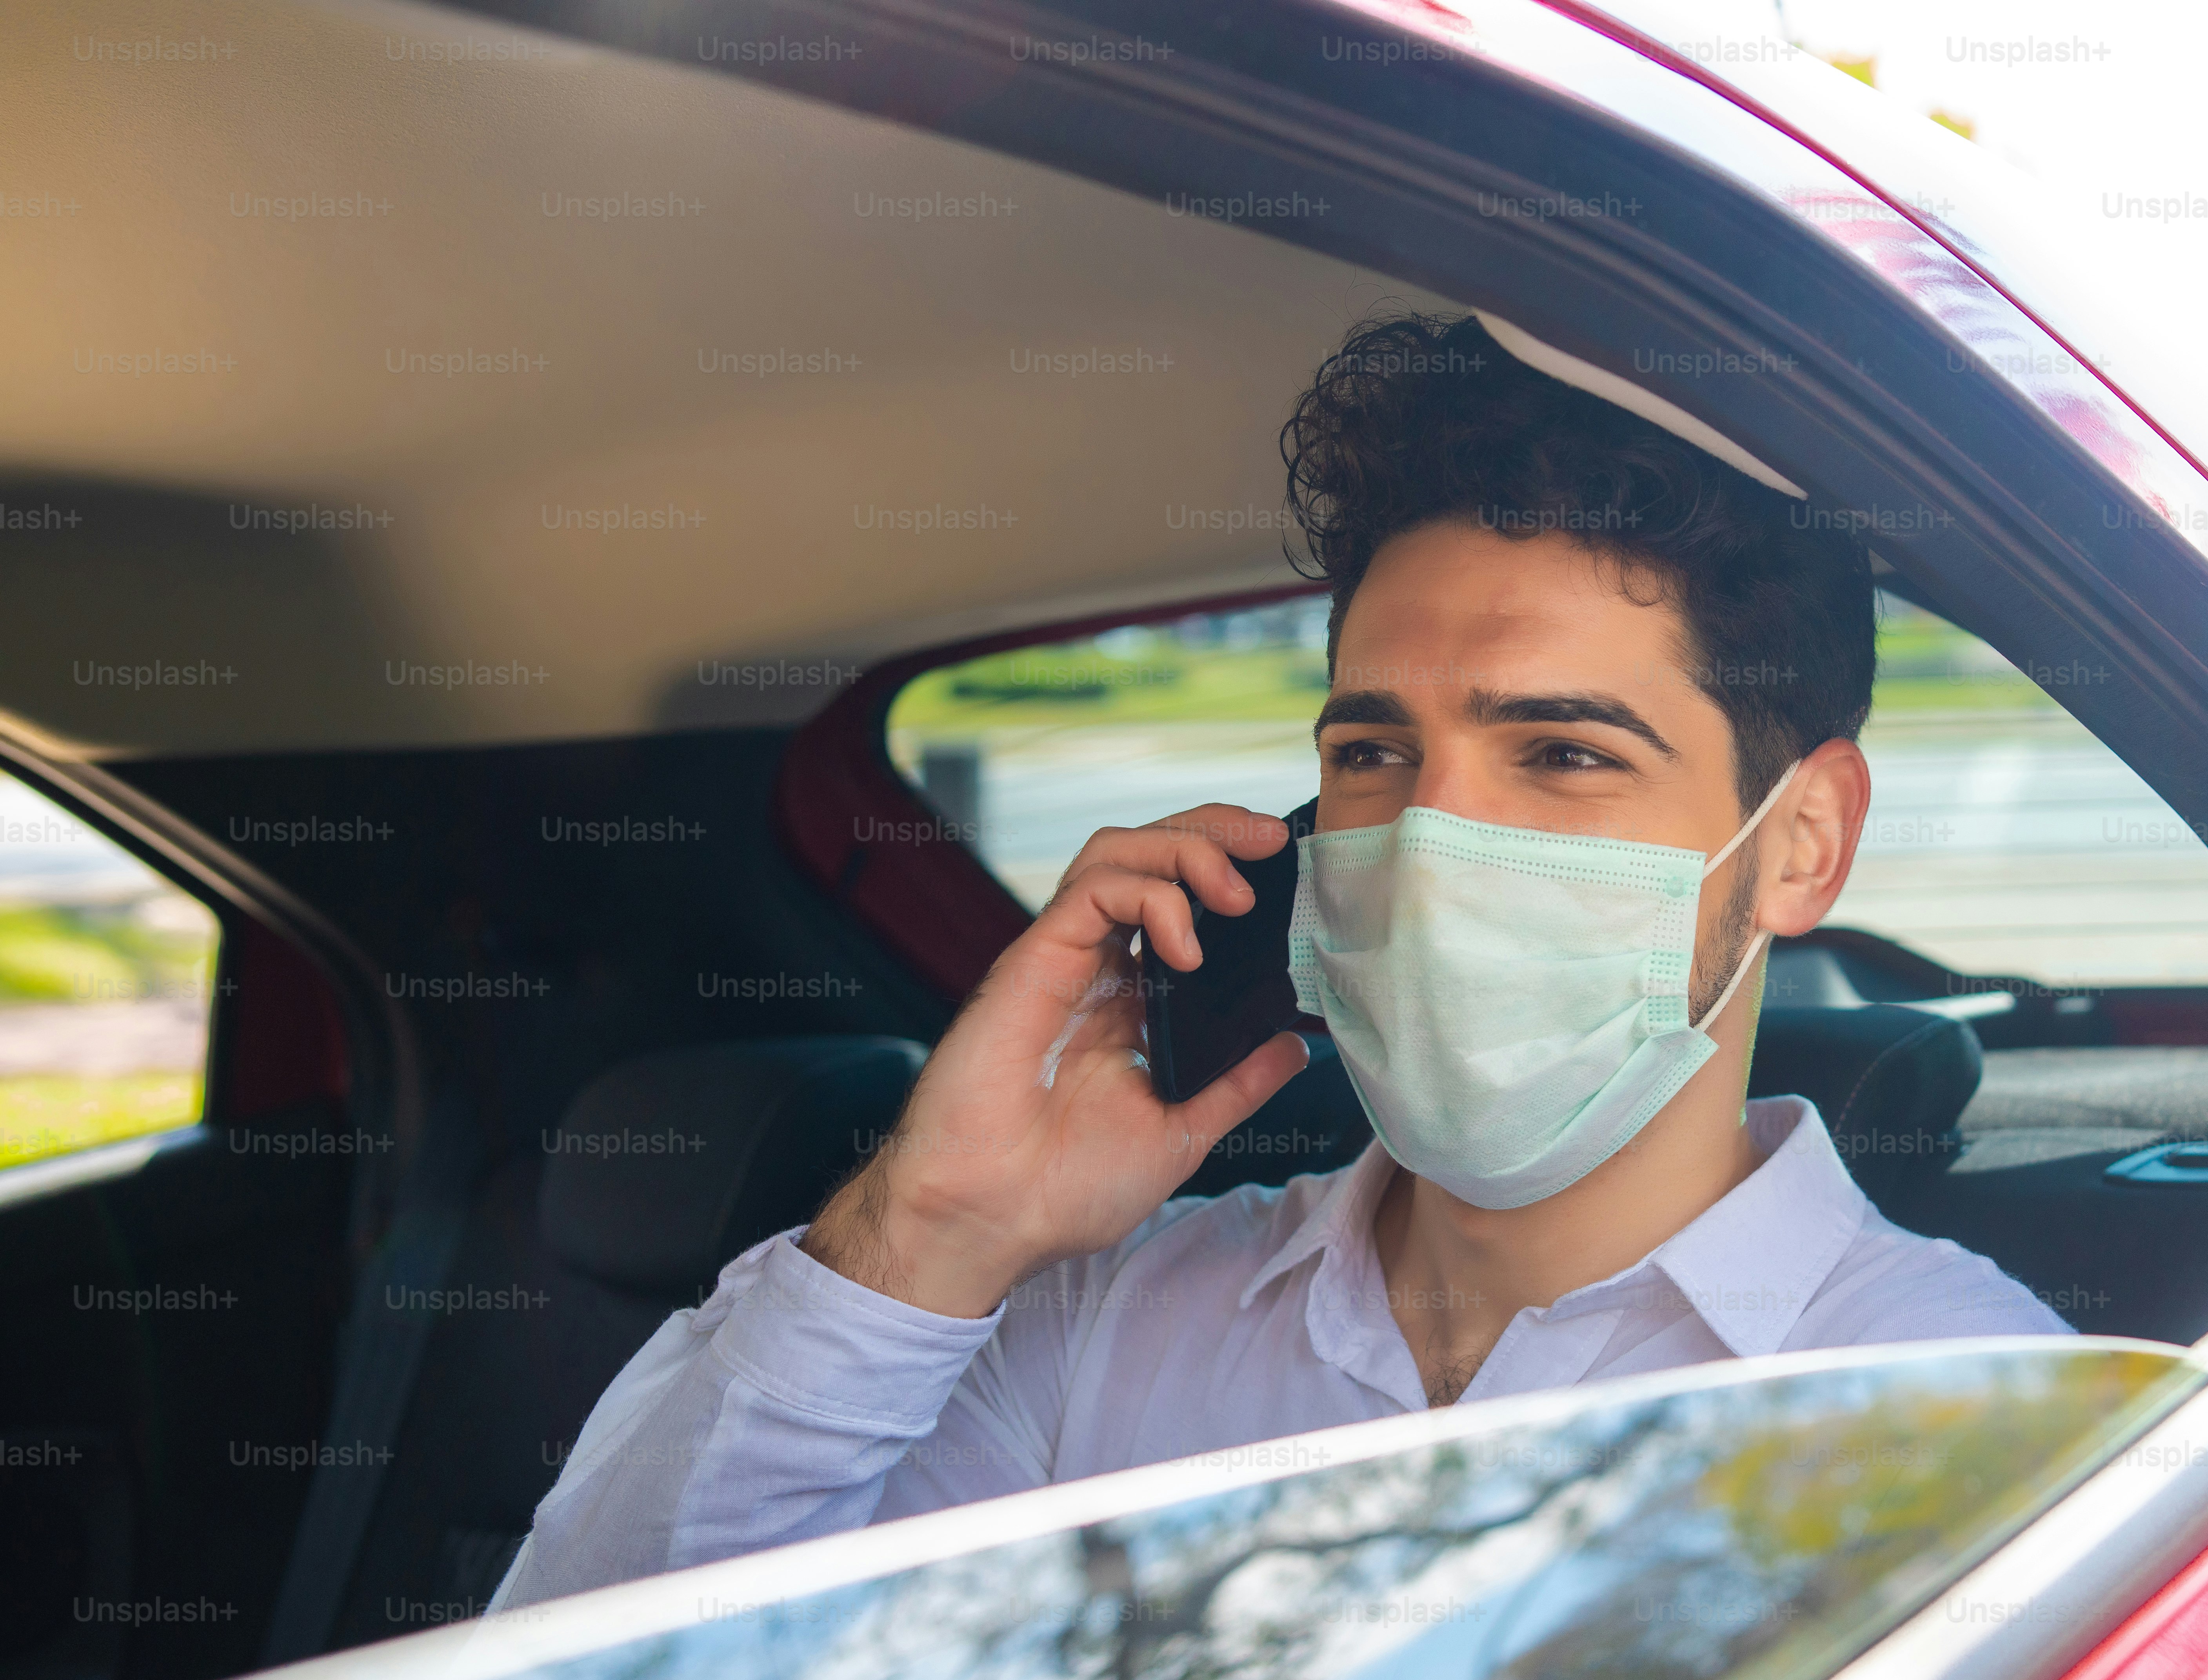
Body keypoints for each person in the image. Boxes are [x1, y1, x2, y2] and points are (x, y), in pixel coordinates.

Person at [499, 312, 2060, 1606]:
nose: (1432, 843)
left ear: (1800, 844)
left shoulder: (1965, 1408)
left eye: (1565, 757)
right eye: (1374, 752)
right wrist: (927, 1229)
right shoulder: (1098, 1319)